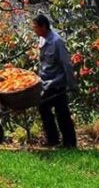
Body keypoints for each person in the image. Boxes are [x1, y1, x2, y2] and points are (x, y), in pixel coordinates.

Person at [32, 13, 77, 148]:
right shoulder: (42, 39)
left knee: (61, 112)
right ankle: (54, 140)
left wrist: (71, 84)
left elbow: (67, 64)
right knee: (45, 109)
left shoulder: (57, 42)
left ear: (44, 27)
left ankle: (68, 143)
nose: (34, 30)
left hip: (56, 84)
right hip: (45, 83)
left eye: (35, 27)